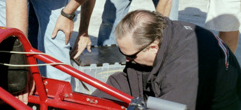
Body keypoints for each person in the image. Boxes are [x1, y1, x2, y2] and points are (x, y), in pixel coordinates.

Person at [93, 10, 241, 109]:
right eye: (121, 51)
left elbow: (174, 105)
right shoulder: (162, 32)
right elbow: (130, 79)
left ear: (153, 47)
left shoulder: (185, 67)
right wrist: (91, 102)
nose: (126, 60)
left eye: (130, 56)